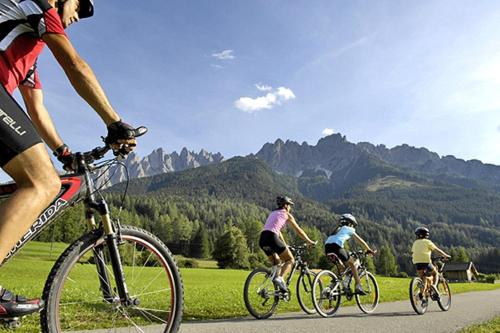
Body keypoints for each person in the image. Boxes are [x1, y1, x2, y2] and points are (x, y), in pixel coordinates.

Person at [0, 0, 139, 318]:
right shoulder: (35, 5)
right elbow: (74, 63)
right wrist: (114, 122)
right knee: (42, 182)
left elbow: (36, 109)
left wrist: (64, 152)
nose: (79, 14)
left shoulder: (25, 49)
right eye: (79, 4)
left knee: (34, 181)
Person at [259, 196, 316, 292]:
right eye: (289, 205)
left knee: (277, 262)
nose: (290, 207)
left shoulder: (273, 213)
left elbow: (277, 231)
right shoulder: (286, 214)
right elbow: (298, 230)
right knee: (290, 260)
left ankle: (272, 284)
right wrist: (309, 241)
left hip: (263, 238)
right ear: (285, 205)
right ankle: (280, 279)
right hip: (272, 237)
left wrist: (284, 244)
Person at [324, 213, 375, 295]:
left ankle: (331, 287)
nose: (353, 227)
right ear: (350, 223)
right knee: (352, 264)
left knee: (342, 268)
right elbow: (360, 240)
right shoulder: (349, 228)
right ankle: (358, 286)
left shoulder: (337, 229)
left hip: (327, 248)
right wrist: (369, 249)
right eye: (353, 225)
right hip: (337, 247)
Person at [411, 226, 451, 301]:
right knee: (435, 273)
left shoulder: (415, 243)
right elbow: (436, 250)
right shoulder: (428, 242)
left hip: (416, 262)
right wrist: (445, 255)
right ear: (426, 235)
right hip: (426, 261)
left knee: (423, 278)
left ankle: (422, 295)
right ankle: (434, 286)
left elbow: (413, 252)